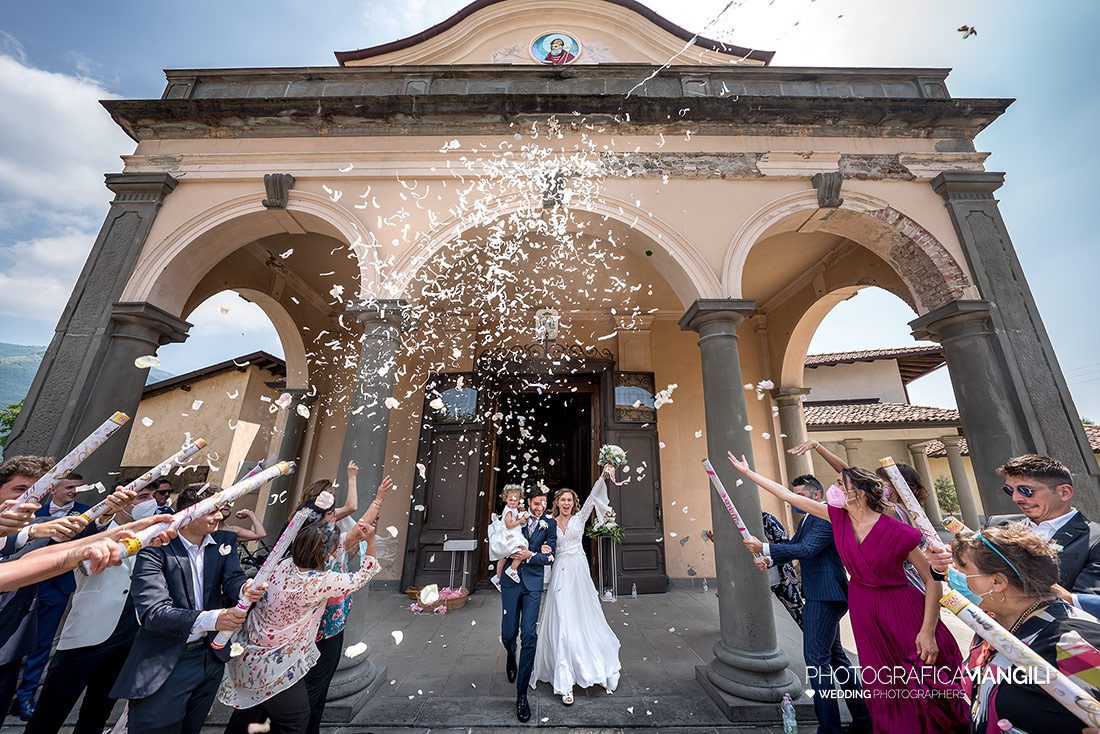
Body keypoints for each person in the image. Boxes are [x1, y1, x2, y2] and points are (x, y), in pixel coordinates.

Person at [728, 452, 969, 733]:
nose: (835, 489)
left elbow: (931, 580)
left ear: (859, 494)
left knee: (916, 675)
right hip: (864, 606)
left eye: (840, 485)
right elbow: (788, 496)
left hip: (900, 604)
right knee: (880, 679)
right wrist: (748, 473)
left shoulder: (897, 530)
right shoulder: (836, 517)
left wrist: (927, 631)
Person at [221, 492, 382, 733]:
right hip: (278, 664)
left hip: (249, 656)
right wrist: (370, 542)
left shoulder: (280, 567)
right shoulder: (319, 582)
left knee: (249, 717)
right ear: (324, 553)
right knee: (295, 721)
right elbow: (363, 575)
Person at [110, 484, 265, 734]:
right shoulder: (156, 547)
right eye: (211, 511)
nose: (219, 516)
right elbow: (153, 612)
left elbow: (233, 578)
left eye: (220, 510)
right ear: (187, 512)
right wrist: (215, 618)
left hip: (210, 657)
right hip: (167, 657)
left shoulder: (224, 541)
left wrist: (245, 588)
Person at [25, 483, 170, 734]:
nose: (149, 502)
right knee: (51, 710)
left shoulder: (153, 537)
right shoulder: (98, 530)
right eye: (142, 497)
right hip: (88, 632)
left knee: (98, 711)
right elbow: (80, 543)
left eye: (151, 497)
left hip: (129, 632)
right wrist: (105, 515)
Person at [743, 474, 871, 734]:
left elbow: (808, 550)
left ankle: (829, 729)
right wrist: (768, 559)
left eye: (799, 496)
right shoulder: (808, 519)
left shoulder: (825, 517)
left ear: (816, 495)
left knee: (816, 662)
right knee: (837, 659)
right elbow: (793, 546)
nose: (794, 501)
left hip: (825, 595)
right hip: (823, 594)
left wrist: (765, 547)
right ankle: (863, 720)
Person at [949, 522, 1100, 733]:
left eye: (962, 567)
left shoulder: (1068, 641)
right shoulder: (993, 624)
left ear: (997, 582)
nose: (952, 572)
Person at [303, 468, 392, 734]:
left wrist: (376, 499)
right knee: (313, 691)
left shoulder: (313, 543)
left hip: (322, 627)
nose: (338, 518)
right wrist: (377, 502)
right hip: (322, 630)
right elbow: (362, 541)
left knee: (312, 689)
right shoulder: (327, 554)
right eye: (332, 514)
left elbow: (357, 525)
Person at [531, 480, 621, 705]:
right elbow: (538, 541)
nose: (566, 503)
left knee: (582, 616)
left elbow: (593, 497)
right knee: (561, 619)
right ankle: (564, 682)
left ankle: (592, 666)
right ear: (557, 502)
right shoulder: (549, 522)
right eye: (563, 499)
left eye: (569, 500)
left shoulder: (580, 518)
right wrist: (541, 549)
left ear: (574, 503)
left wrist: (603, 474)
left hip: (578, 571)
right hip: (560, 572)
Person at [13, 474, 93, 720]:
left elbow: (95, 535)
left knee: (42, 642)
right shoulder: (34, 511)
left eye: (77, 488)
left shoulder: (86, 512)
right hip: (21, 583)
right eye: (69, 487)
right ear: (53, 488)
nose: (74, 492)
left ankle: (26, 695)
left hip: (56, 585)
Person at [992, 454, 1100, 598]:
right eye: (1009, 490)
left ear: (1064, 492)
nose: (1016, 498)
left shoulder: (1095, 539)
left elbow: (1088, 605)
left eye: (1026, 490)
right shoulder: (997, 527)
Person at [500, 488, 556, 723]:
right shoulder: (515, 516)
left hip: (533, 584)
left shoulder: (549, 525)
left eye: (544, 503)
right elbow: (502, 544)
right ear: (529, 502)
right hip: (511, 582)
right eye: (537, 503)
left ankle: (521, 694)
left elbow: (551, 555)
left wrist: (530, 555)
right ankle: (510, 654)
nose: (540, 507)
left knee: (529, 635)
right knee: (508, 633)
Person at [760, 509, 804, 626]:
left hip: (781, 571)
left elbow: (785, 543)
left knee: (795, 607)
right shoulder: (737, 524)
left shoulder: (767, 518)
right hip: (757, 573)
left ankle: (815, 636)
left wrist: (764, 549)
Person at [489, 484, 529, 590]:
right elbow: (508, 525)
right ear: (505, 498)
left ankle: (497, 577)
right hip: (510, 534)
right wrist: (520, 521)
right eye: (510, 500)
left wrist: (520, 509)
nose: (512, 502)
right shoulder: (509, 511)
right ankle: (512, 569)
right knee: (523, 547)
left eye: (515, 500)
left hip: (511, 534)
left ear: (519, 500)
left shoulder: (513, 508)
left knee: (504, 556)